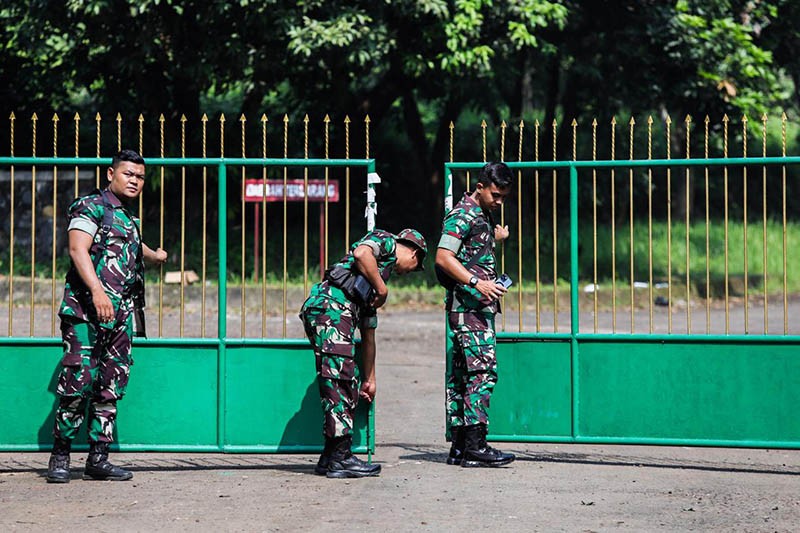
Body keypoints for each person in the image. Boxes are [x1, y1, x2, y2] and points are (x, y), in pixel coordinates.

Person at [46, 149, 168, 483]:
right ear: (110, 174)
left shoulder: (127, 217)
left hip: (120, 317)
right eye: (128, 174)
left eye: (140, 177)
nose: (135, 181)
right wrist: (98, 292)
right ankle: (60, 457)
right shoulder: (91, 206)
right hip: (85, 312)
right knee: (77, 384)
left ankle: (98, 458)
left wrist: (155, 256)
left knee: (110, 386)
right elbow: (77, 249)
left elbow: (132, 245)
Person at [299, 228, 427, 478]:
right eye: (414, 267)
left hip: (331, 314)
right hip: (331, 310)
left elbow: (369, 335)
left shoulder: (374, 279)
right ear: (414, 253)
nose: (406, 273)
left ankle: (330, 456)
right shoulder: (386, 242)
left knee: (344, 380)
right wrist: (382, 289)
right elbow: (361, 253)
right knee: (340, 382)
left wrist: (370, 379)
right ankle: (340, 458)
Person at [434, 161, 516, 468]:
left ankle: (460, 447)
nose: (499, 201)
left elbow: (471, 249)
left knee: (464, 376)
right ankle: (476, 446)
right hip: (469, 309)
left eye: (504, 197)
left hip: (473, 308)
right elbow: (443, 257)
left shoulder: (480, 214)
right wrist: (476, 283)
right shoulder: (463, 214)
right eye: (495, 195)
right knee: (482, 373)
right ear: (479, 187)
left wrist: (495, 238)